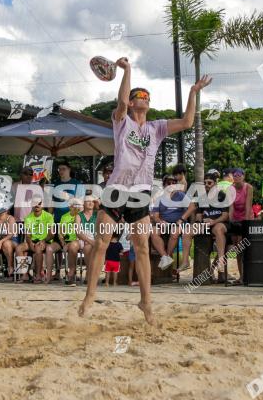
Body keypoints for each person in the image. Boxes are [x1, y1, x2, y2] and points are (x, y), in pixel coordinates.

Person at [78, 57, 211, 325]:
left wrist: (193, 92)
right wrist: (127, 70)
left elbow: (186, 122)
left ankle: (146, 301)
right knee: (102, 243)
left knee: (141, 247)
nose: (145, 99)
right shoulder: (121, 121)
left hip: (140, 193)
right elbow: (121, 101)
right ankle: (90, 295)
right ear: (132, 101)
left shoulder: (156, 127)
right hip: (116, 190)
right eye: (140, 96)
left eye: (147, 97)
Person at [185, 173, 231, 283]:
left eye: (209, 183)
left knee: (218, 229)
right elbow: (198, 216)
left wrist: (213, 221)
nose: (207, 185)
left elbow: (225, 216)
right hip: (206, 225)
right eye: (205, 183)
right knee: (188, 231)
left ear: (215, 184)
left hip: (220, 223)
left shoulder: (221, 195)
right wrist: (199, 222)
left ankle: (220, 261)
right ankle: (185, 261)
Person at [150, 174, 190, 272]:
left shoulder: (180, 195)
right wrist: (160, 221)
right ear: (164, 185)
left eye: (174, 183)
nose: (172, 185)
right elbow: (155, 216)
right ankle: (165, 257)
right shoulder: (159, 198)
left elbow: (192, 206)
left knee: (175, 233)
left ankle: (167, 256)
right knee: (154, 232)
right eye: (169, 183)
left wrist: (182, 219)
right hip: (165, 223)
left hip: (178, 223)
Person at [227, 168, 254, 282]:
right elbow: (231, 207)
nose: (237, 177)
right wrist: (230, 222)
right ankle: (241, 276)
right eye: (235, 175)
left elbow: (248, 206)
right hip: (236, 218)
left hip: (246, 218)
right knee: (238, 248)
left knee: (246, 247)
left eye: (239, 175)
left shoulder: (248, 187)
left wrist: (246, 225)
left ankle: (250, 274)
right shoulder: (230, 188)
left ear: (243, 176)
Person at [24, 198, 55, 284]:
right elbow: (28, 234)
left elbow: (51, 234)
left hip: (45, 240)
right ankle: (24, 274)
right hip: (32, 240)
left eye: (39, 203)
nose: (37, 205)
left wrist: (43, 240)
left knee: (38, 248)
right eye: (34, 203)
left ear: (43, 205)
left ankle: (38, 275)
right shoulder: (28, 218)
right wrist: (30, 242)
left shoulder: (48, 216)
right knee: (19, 248)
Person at [0, 210, 21, 280]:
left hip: (12, 240)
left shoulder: (10, 218)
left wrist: (1, 241)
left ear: (6, 210)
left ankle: (10, 266)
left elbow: (11, 234)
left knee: (6, 244)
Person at [55, 198, 83, 286]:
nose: (75, 208)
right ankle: (72, 273)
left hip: (79, 240)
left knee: (72, 246)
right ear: (70, 207)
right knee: (69, 247)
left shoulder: (81, 216)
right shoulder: (64, 217)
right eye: (73, 206)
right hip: (68, 241)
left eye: (77, 206)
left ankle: (72, 273)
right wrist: (62, 241)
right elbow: (61, 232)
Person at [76, 195, 98, 281]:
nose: (90, 203)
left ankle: (90, 273)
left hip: (95, 239)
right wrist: (88, 240)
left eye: (92, 201)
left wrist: (94, 240)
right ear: (83, 204)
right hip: (83, 239)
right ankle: (90, 273)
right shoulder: (79, 216)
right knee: (88, 247)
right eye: (88, 201)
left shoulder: (98, 215)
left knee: (91, 247)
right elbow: (78, 232)